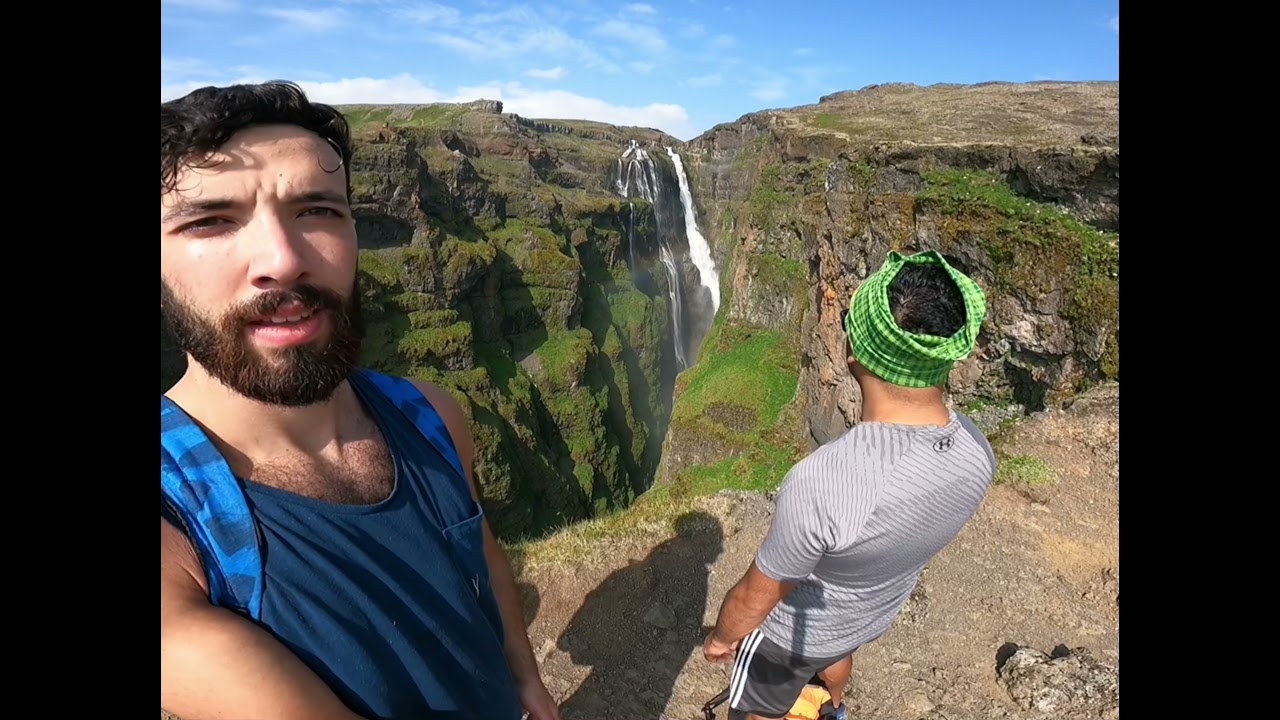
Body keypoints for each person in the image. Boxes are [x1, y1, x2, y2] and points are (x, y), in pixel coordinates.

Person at [160, 81, 560, 720]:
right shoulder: (178, 514)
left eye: (317, 210)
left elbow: (476, 541)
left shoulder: (430, 415)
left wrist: (522, 669)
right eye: (210, 220)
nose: (283, 261)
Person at [701, 250, 998, 720]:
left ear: (854, 353)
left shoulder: (825, 481)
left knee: (754, 707)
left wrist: (721, 638)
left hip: (787, 638)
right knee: (835, 657)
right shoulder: (978, 453)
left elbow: (756, 596)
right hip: (868, 616)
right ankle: (834, 707)